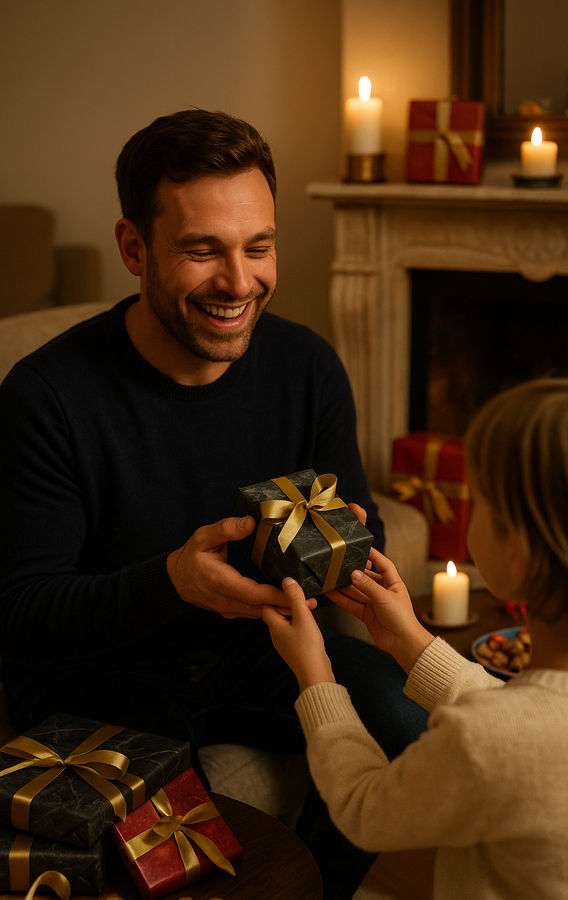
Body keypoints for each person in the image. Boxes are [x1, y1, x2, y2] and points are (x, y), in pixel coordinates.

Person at [0, 108, 428, 899]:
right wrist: (173, 581)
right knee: (174, 857)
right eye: (203, 251)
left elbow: (351, 529)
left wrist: (352, 560)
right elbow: (20, 615)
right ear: (134, 248)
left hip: (266, 646)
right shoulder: (44, 397)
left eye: (258, 247)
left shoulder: (308, 367)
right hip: (103, 670)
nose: (239, 282)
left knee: (410, 724)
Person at [263, 376, 568, 900]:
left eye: (479, 500)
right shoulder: (534, 722)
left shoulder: (483, 740)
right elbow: (539, 722)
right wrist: (412, 642)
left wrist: (316, 674)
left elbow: (364, 810)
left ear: (519, 553)